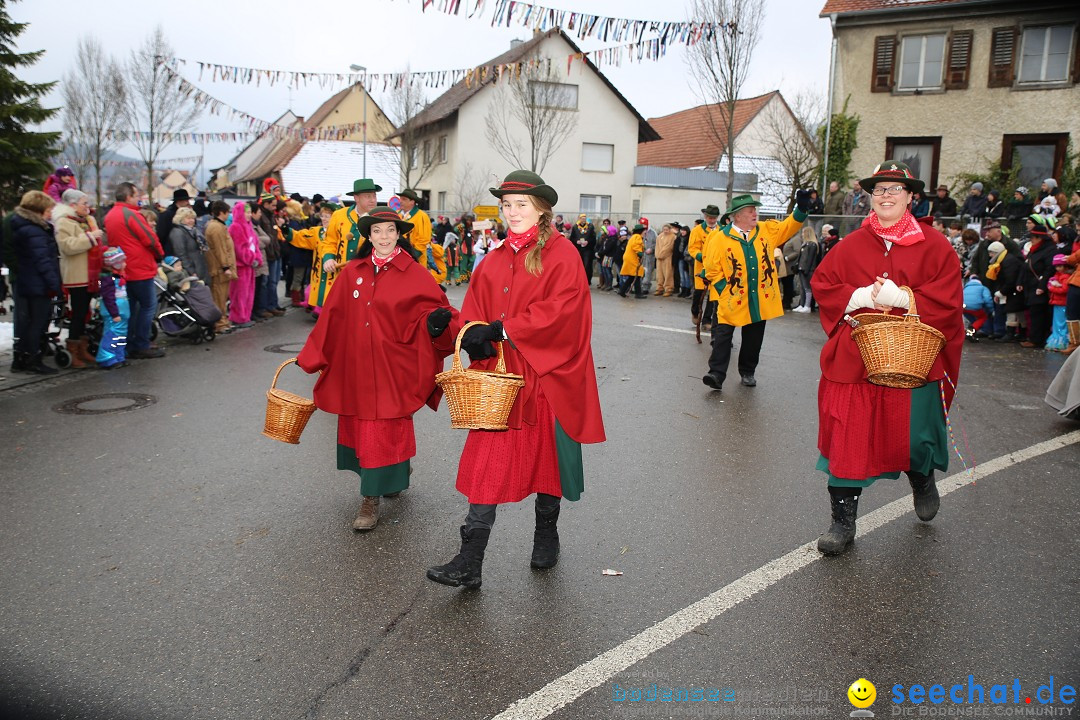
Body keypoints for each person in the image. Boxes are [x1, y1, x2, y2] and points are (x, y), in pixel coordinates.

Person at [427, 170, 605, 590]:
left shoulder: (563, 255)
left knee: (548, 463)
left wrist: (504, 330)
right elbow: (474, 312)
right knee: (486, 464)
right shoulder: (491, 259)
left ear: (542, 209)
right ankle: (470, 560)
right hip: (500, 382)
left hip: (547, 378)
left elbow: (565, 312)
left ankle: (546, 533)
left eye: (520, 204)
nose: (512, 212)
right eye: (506, 205)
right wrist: (464, 332)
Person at [810, 160, 963, 555]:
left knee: (912, 435)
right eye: (879, 189)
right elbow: (823, 282)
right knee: (847, 437)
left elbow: (949, 301)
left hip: (912, 358)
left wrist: (906, 298)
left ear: (912, 197)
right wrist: (854, 297)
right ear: (870, 197)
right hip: (855, 357)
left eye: (895, 189)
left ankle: (922, 476)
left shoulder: (936, 245)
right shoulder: (852, 244)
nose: (886, 196)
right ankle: (841, 522)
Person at [297, 207, 459, 531]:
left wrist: (437, 324)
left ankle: (372, 497)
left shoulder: (413, 273)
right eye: (377, 232)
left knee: (386, 425)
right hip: (358, 365)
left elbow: (438, 312)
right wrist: (313, 354)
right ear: (368, 236)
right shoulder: (353, 271)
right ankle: (386, 480)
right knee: (368, 427)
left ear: (398, 234)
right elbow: (332, 316)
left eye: (389, 231)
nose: (383, 237)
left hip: (393, 366)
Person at [701, 192, 808, 391]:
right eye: (750, 210)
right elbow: (711, 268)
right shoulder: (720, 238)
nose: (754, 213)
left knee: (754, 337)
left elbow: (788, 226)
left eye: (755, 210)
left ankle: (747, 371)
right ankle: (716, 373)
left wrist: (800, 209)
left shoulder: (766, 230)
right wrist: (725, 289)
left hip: (760, 297)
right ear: (738, 215)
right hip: (732, 298)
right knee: (723, 335)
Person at [104, 182, 165, 359]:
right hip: (140, 267)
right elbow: (150, 239)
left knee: (130, 308)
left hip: (123, 267)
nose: (139, 199)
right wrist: (159, 254)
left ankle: (128, 343)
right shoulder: (131, 214)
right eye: (136, 195)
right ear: (128, 196)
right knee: (147, 306)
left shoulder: (110, 216)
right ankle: (141, 343)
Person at [10, 190, 61, 374]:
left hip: (29, 280)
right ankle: (33, 359)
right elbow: (43, 260)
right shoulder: (35, 231)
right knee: (37, 322)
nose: (50, 213)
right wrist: (53, 282)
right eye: (48, 209)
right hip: (38, 283)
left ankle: (22, 358)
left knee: (29, 322)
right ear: (38, 209)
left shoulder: (24, 227)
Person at [311, 179, 380, 313]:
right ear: (356, 198)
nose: (372, 200)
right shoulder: (339, 215)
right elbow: (330, 241)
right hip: (342, 276)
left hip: (369, 278)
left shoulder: (380, 218)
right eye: (367, 196)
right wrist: (328, 258)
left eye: (374, 196)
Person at [53, 188, 103, 368]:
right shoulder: (64, 222)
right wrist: (90, 238)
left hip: (90, 273)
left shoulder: (88, 220)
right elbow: (67, 246)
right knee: (78, 313)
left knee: (85, 314)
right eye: (84, 203)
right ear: (72, 205)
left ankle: (83, 348)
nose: (87, 207)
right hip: (76, 275)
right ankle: (73, 349)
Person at [1020, 221, 1056, 349]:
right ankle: (1034, 337)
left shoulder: (1049, 250)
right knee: (1034, 313)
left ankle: (1036, 339)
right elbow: (1025, 266)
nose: (1031, 240)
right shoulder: (1034, 250)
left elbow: (1049, 269)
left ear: (1040, 238)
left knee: (1038, 314)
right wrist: (1020, 281)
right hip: (1030, 286)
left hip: (1039, 287)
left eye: (1033, 237)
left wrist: (1041, 285)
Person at [227, 201, 262, 329]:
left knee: (248, 293)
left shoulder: (249, 226)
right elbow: (239, 248)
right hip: (241, 266)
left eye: (249, 212)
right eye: (246, 212)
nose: (248, 215)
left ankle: (245, 316)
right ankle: (238, 317)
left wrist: (257, 258)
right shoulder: (236, 227)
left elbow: (255, 245)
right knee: (239, 294)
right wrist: (251, 258)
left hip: (249, 266)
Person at [397, 189, 442, 283]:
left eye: (404, 199)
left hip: (415, 258)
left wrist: (412, 256)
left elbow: (423, 240)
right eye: (400, 198)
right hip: (398, 257)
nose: (400, 201)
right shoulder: (397, 215)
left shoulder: (422, 216)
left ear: (412, 202)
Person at [96, 247, 130, 370]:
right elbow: (108, 298)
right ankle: (106, 357)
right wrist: (114, 313)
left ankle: (119, 356)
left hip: (122, 312)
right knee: (112, 334)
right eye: (122, 262)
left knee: (121, 335)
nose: (125, 264)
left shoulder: (118, 277)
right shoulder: (108, 280)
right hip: (114, 313)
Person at [203, 201, 235, 334]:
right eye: (227, 212)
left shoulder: (218, 226)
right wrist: (225, 266)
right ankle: (219, 323)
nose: (229, 215)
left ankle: (223, 321)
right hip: (219, 268)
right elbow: (220, 249)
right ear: (221, 212)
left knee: (222, 296)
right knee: (219, 296)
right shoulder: (216, 228)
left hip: (220, 267)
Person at [689, 205, 721, 324]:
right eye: (709, 218)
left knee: (713, 295)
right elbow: (692, 248)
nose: (711, 220)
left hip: (716, 268)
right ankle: (695, 312)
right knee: (699, 292)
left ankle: (707, 319)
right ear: (705, 216)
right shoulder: (697, 230)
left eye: (714, 218)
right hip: (701, 266)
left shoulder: (721, 229)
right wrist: (701, 257)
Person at [170, 207, 208, 284]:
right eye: (188, 218)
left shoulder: (193, 231)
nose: (192, 221)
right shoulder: (178, 232)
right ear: (180, 219)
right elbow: (181, 254)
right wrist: (191, 271)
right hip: (191, 270)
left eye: (193, 218)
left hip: (199, 267)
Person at [1046, 254, 1072, 351]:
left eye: (1060, 266)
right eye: (1056, 266)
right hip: (1057, 302)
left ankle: (1061, 342)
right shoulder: (1059, 276)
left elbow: (1064, 290)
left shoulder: (1065, 277)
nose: (1057, 268)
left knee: (1061, 323)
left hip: (1062, 303)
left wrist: (1052, 288)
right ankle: (1059, 341)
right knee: (1057, 323)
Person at [792, 225, 820, 313]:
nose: (802, 234)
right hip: (802, 268)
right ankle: (802, 304)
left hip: (807, 269)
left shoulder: (812, 245)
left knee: (807, 288)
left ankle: (807, 305)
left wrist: (807, 269)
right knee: (802, 288)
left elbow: (811, 258)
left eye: (804, 233)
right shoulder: (805, 244)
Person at [156, 189, 191, 257]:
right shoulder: (167, 215)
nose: (188, 202)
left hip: (186, 250)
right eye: (186, 200)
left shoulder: (188, 213)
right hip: (172, 251)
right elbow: (161, 234)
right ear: (179, 201)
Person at [618, 224, 647, 299]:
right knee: (636, 275)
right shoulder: (637, 237)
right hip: (632, 259)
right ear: (641, 231)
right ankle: (638, 293)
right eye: (644, 230)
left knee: (632, 276)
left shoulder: (633, 237)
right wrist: (639, 253)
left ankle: (622, 291)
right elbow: (636, 246)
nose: (645, 232)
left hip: (629, 258)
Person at [962, 273, 994, 340]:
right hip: (975, 308)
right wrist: (991, 310)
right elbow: (988, 299)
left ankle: (972, 329)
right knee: (982, 317)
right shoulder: (983, 288)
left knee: (973, 319)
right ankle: (970, 332)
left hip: (963, 308)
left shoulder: (965, 288)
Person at [569, 213, 596, 285]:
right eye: (582, 218)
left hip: (587, 249)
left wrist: (588, 242)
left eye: (584, 218)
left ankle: (587, 281)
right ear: (579, 219)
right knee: (578, 265)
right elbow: (572, 238)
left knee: (587, 265)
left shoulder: (590, 226)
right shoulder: (575, 227)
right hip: (578, 249)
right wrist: (576, 241)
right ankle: (578, 280)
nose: (583, 219)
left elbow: (594, 238)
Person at [653, 223, 675, 296]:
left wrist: (661, 254)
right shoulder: (659, 236)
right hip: (659, 258)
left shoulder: (673, 237)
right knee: (659, 274)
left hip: (667, 258)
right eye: (664, 230)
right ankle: (660, 288)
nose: (665, 231)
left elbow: (669, 247)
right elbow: (657, 246)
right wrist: (657, 255)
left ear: (670, 229)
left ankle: (668, 288)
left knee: (668, 273)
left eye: (667, 230)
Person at [639, 217, 657, 292]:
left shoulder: (653, 233)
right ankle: (639, 286)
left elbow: (656, 243)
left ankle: (646, 287)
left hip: (650, 256)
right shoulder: (639, 232)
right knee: (641, 271)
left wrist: (652, 249)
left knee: (648, 271)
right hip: (641, 255)